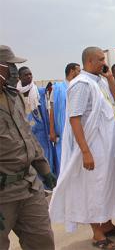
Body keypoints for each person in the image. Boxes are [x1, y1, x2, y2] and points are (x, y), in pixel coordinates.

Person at [49, 47, 115, 250]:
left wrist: (110, 79)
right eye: (102, 59)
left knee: (109, 186)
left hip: (109, 148)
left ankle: (108, 224)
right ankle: (98, 233)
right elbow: (75, 119)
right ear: (91, 61)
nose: (105, 62)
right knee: (95, 189)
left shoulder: (99, 81)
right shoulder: (81, 84)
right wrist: (85, 152)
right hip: (94, 148)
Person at [0, 45, 57, 250]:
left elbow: (28, 136)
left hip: (29, 185)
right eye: (11, 66)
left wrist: (44, 169)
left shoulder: (12, 96)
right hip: (3, 193)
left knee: (42, 241)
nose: (15, 71)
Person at [17, 66, 56, 174]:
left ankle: (47, 184)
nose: (29, 76)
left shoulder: (39, 92)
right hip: (23, 133)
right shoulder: (15, 94)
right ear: (19, 77)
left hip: (40, 132)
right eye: (26, 75)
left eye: (30, 74)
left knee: (44, 156)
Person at [49, 62, 81, 177]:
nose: (80, 73)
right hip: (62, 131)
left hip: (78, 129)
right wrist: (52, 131)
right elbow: (52, 110)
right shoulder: (57, 88)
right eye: (78, 70)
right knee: (63, 158)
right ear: (72, 71)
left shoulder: (79, 86)